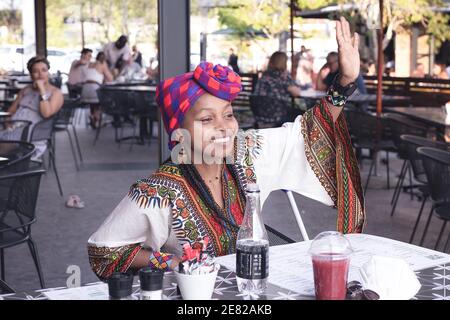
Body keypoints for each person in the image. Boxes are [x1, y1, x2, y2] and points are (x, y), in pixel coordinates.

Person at [87, 17, 365, 280]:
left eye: (229, 114)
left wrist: (344, 82)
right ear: (179, 131)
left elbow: (306, 132)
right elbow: (104, 251)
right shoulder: (159, 191)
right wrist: (169, 261)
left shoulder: (247, 153)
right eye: (207, 119)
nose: (223, 127)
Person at [2, 56, 63, 160]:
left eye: (44, 70)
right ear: (31, 75)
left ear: (48, 72)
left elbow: (46, 113)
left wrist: (42, 90)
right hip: (12, 129)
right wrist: (7, 124)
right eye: (35, 71)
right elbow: (11, 111)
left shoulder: (55, 93)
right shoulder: (26, 90)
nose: (40, 74)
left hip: (30, 134)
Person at [80, 52, 113, 129]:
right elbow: (110, 78)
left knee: (93, 103)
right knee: (104, 101)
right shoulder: (102, 64)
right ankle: (95, 117)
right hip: (94, 89)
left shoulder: (90, 64)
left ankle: (94, 119)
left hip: (85, 90)